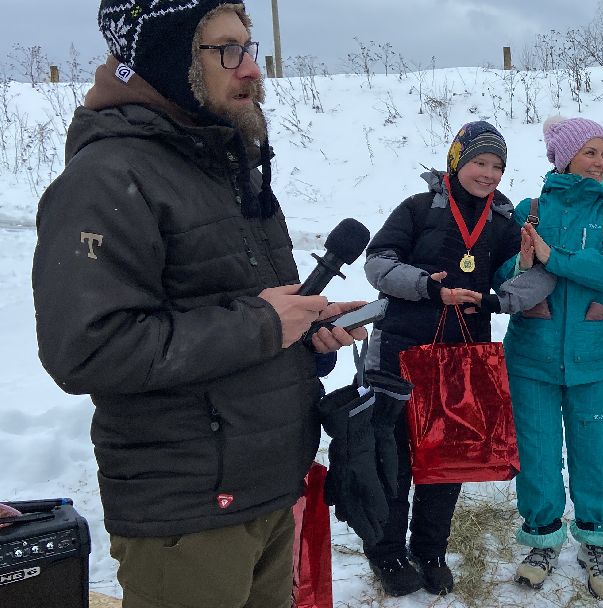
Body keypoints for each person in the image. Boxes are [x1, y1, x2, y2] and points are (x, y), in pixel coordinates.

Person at [32, 3, 370, 607]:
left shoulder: (225, 164)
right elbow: (87, 349)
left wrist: (301, 332)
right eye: (224, 50)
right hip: (187, 513)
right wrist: (266, 325)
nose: (249, 69)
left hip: (264, 489)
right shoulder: (106, 179)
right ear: (169, 60)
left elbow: (239, 313)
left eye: (249, 47)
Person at [362, 121, 554, 597]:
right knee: (396, 459)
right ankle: (387, 553)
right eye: (479, 162)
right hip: (400, 354)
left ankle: (430, 549)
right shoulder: (417, 209)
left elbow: (542, 277)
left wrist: (494, 301)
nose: (488, 173)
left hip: (460, 360)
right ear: (456, 161)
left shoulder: (505, 224)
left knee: (447, 458)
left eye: (497, 166)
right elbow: (377, 264)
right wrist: (431, 289)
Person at [501, 117, 603, 601]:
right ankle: (541, 540)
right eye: (590, 152)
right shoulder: (527, 210)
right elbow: (504, 273)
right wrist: (520, 262)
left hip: (591, 356)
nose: (599, 163)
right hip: (530, 355)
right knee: (535, 453)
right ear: (564, 156)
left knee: (597, 451)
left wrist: (551, 258)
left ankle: (597, 542)